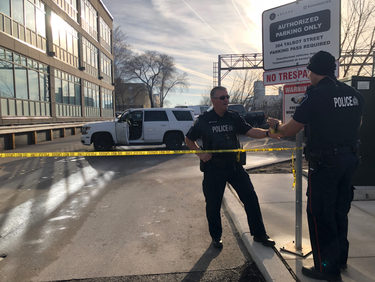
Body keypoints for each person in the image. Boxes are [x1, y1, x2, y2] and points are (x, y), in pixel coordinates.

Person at [267, 51, 364, 282]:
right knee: (340, 211)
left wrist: (276, 125)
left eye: (309, 71)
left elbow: (290, 130)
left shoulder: (315, 96)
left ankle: (325, 269)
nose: (308, 74)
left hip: (326, 164)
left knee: (320, 213)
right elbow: (357, 123)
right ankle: (340, 260)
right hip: (349, 160)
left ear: (313, 71)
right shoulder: (355, 94)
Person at [185, 86, 282, 249]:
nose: (226, 100)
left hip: (234, 167)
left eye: (227, 97)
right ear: (213, 100)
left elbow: (250, 131)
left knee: (251, 198)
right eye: (222, 97)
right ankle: (216, 237)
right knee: (213, 204)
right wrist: (200, 153)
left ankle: (259, 234)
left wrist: (267, 133)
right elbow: (189, 139)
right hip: (213, 169)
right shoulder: (204, 119)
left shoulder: (233, 117)